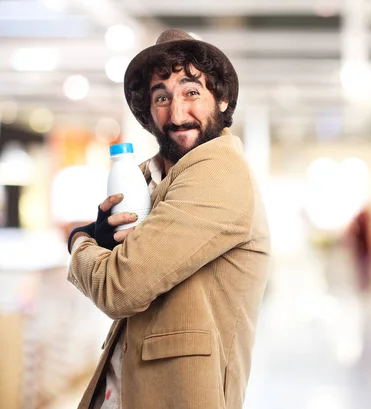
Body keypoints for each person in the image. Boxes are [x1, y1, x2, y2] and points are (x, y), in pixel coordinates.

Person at [66, 29, 270, 409]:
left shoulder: (218, 171)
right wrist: (105, 239)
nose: (177, 113)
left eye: (192, 92)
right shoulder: (149, 177)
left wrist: (80, 242)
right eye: (162, 97)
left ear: (222, 100)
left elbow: (119, 287)